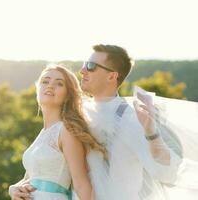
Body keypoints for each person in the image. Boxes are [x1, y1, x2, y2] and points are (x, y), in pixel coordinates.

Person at [80, 44, 198, 200]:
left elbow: (166, 173)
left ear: (111, 76)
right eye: (84, 64)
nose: (82, 70)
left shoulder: (130, 118)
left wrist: (151, 132)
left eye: (91, 66)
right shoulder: (79, 113)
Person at [8, 65, 107, 200]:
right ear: (38, 89)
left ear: (67, 96)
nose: (50, 86)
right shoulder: (43, 133)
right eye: (45, 81)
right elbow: (32, 177)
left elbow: (81, 184)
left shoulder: (66, 131)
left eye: (59, 83)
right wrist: (13, 189)